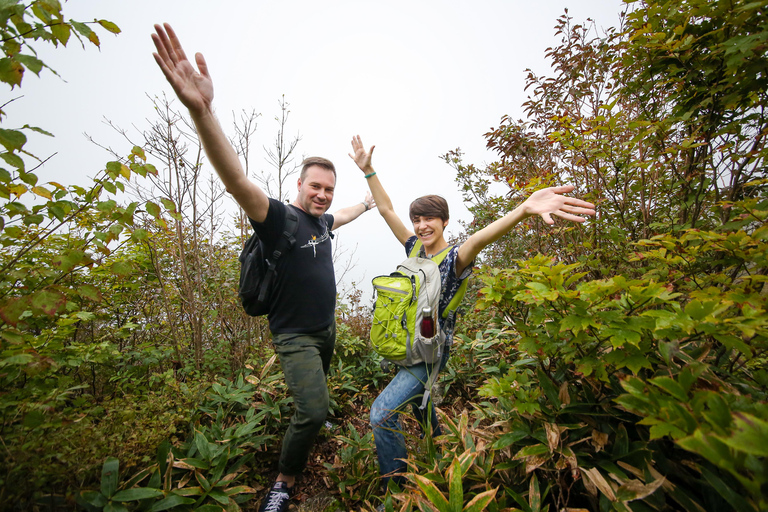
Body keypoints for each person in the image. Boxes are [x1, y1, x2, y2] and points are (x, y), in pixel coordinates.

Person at [151, 24, 376, 512]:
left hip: (326, 329)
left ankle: (317, 420)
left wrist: (368, 199)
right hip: (294, 334)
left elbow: (350, 213)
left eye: (328, 190)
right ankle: (284, 480)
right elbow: (234, 177)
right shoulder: (277, 219)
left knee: (322, 388)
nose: (322, 195)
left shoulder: (322, 222)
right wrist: (202, 111)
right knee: (312, 409)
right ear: (299, 184)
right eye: (315, 186)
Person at [348, 135, 596, 495]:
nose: (421, 226)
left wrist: (523, 209)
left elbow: (481, 238)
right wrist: (369, 170)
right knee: (422, 401)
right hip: (407, 342)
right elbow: (387, 210)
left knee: (381, 414)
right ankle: (440, 447)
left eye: (429, 219)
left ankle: (397, 492)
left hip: (429, 351)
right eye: (417, 219)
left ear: (444, 221)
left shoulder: (454, 259)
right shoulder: (414, 247)